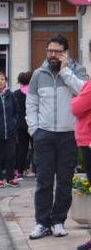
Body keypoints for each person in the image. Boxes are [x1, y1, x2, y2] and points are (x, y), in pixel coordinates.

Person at [27, 35, 88, 239]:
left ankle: (59, 221)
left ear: (65, 52)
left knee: (64, 181)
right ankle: (42, 222)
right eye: (50, 51)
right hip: (44, 134)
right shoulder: (38, 74)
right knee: (44, 181)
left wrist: (65, 71)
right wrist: (34, 129)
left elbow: (83, 92)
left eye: (57, 51)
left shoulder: (77, 71)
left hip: (68, 134)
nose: (53, 55)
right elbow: (32, 103)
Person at [14, 71, 33, 179]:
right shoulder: (35, 92)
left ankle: (20, 171)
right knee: (37, 148)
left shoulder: (16, 93)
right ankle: (36, 170)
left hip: (20, 124)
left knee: (22, 148)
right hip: (34, 123)